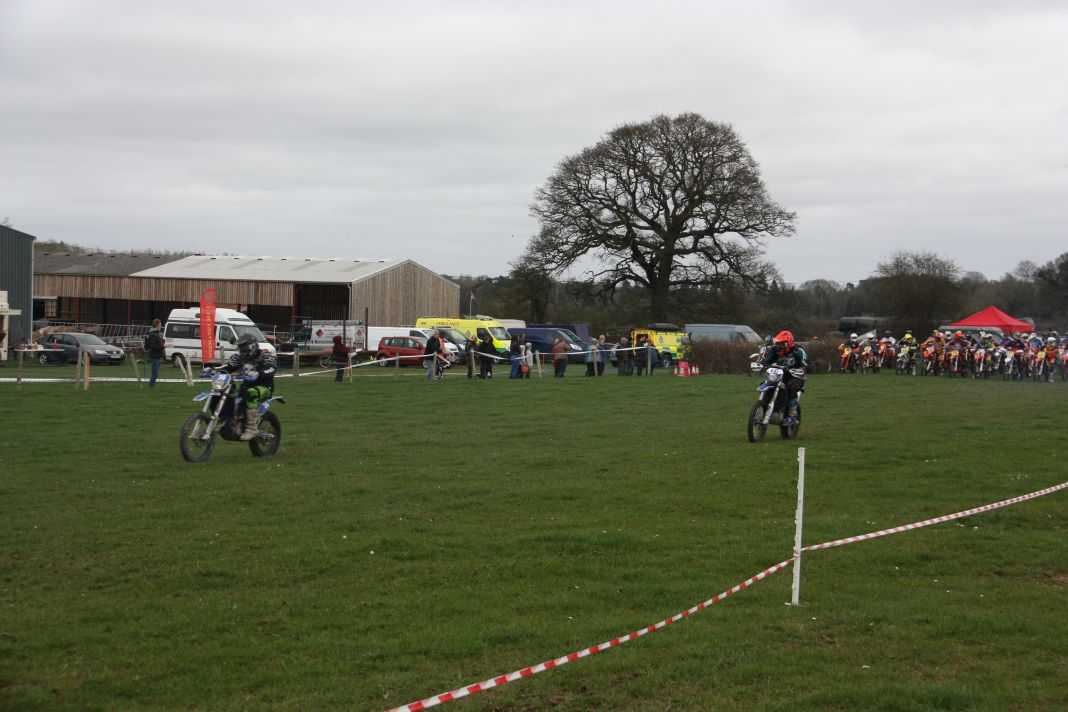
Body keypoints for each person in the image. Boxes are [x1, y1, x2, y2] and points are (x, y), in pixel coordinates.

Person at [219, 333, 277, 440]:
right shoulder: (239, 357)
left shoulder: (265, 356)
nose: (242, 350)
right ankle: (225, 421)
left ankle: (251, 429)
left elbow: (271, 369)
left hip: (265, 387)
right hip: (245, 387)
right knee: (226, 395)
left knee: (251, 393)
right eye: (240, 348)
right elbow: (228, 368)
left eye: (244, 347)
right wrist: (212, 370)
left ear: (253, 346)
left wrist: (258, 374)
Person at [761, 330, 808, 426]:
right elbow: (767, 361)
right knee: (764, 384)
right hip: (779, 375)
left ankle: (792, 416)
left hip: (795, 376)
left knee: (791, 387)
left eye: (782, 344)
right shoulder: (775, 350)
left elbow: (806, 365)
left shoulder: (798, 351)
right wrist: (762, 364)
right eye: (778, 343)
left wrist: (800, 369)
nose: (780, 346)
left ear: (789, 342)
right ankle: (763, 408)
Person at [143, 318, 166, 387]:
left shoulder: (154, 334)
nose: (161, 326)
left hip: (157, 356)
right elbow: (153, 346)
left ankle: (152, 386)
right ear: (157, 325)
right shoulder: (153, 334)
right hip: (155, 356)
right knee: (155, 374)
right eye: (160, 325)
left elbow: (152, 344)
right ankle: (151, 386)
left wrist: (162, 343)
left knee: (155, 373)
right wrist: (163, 346)